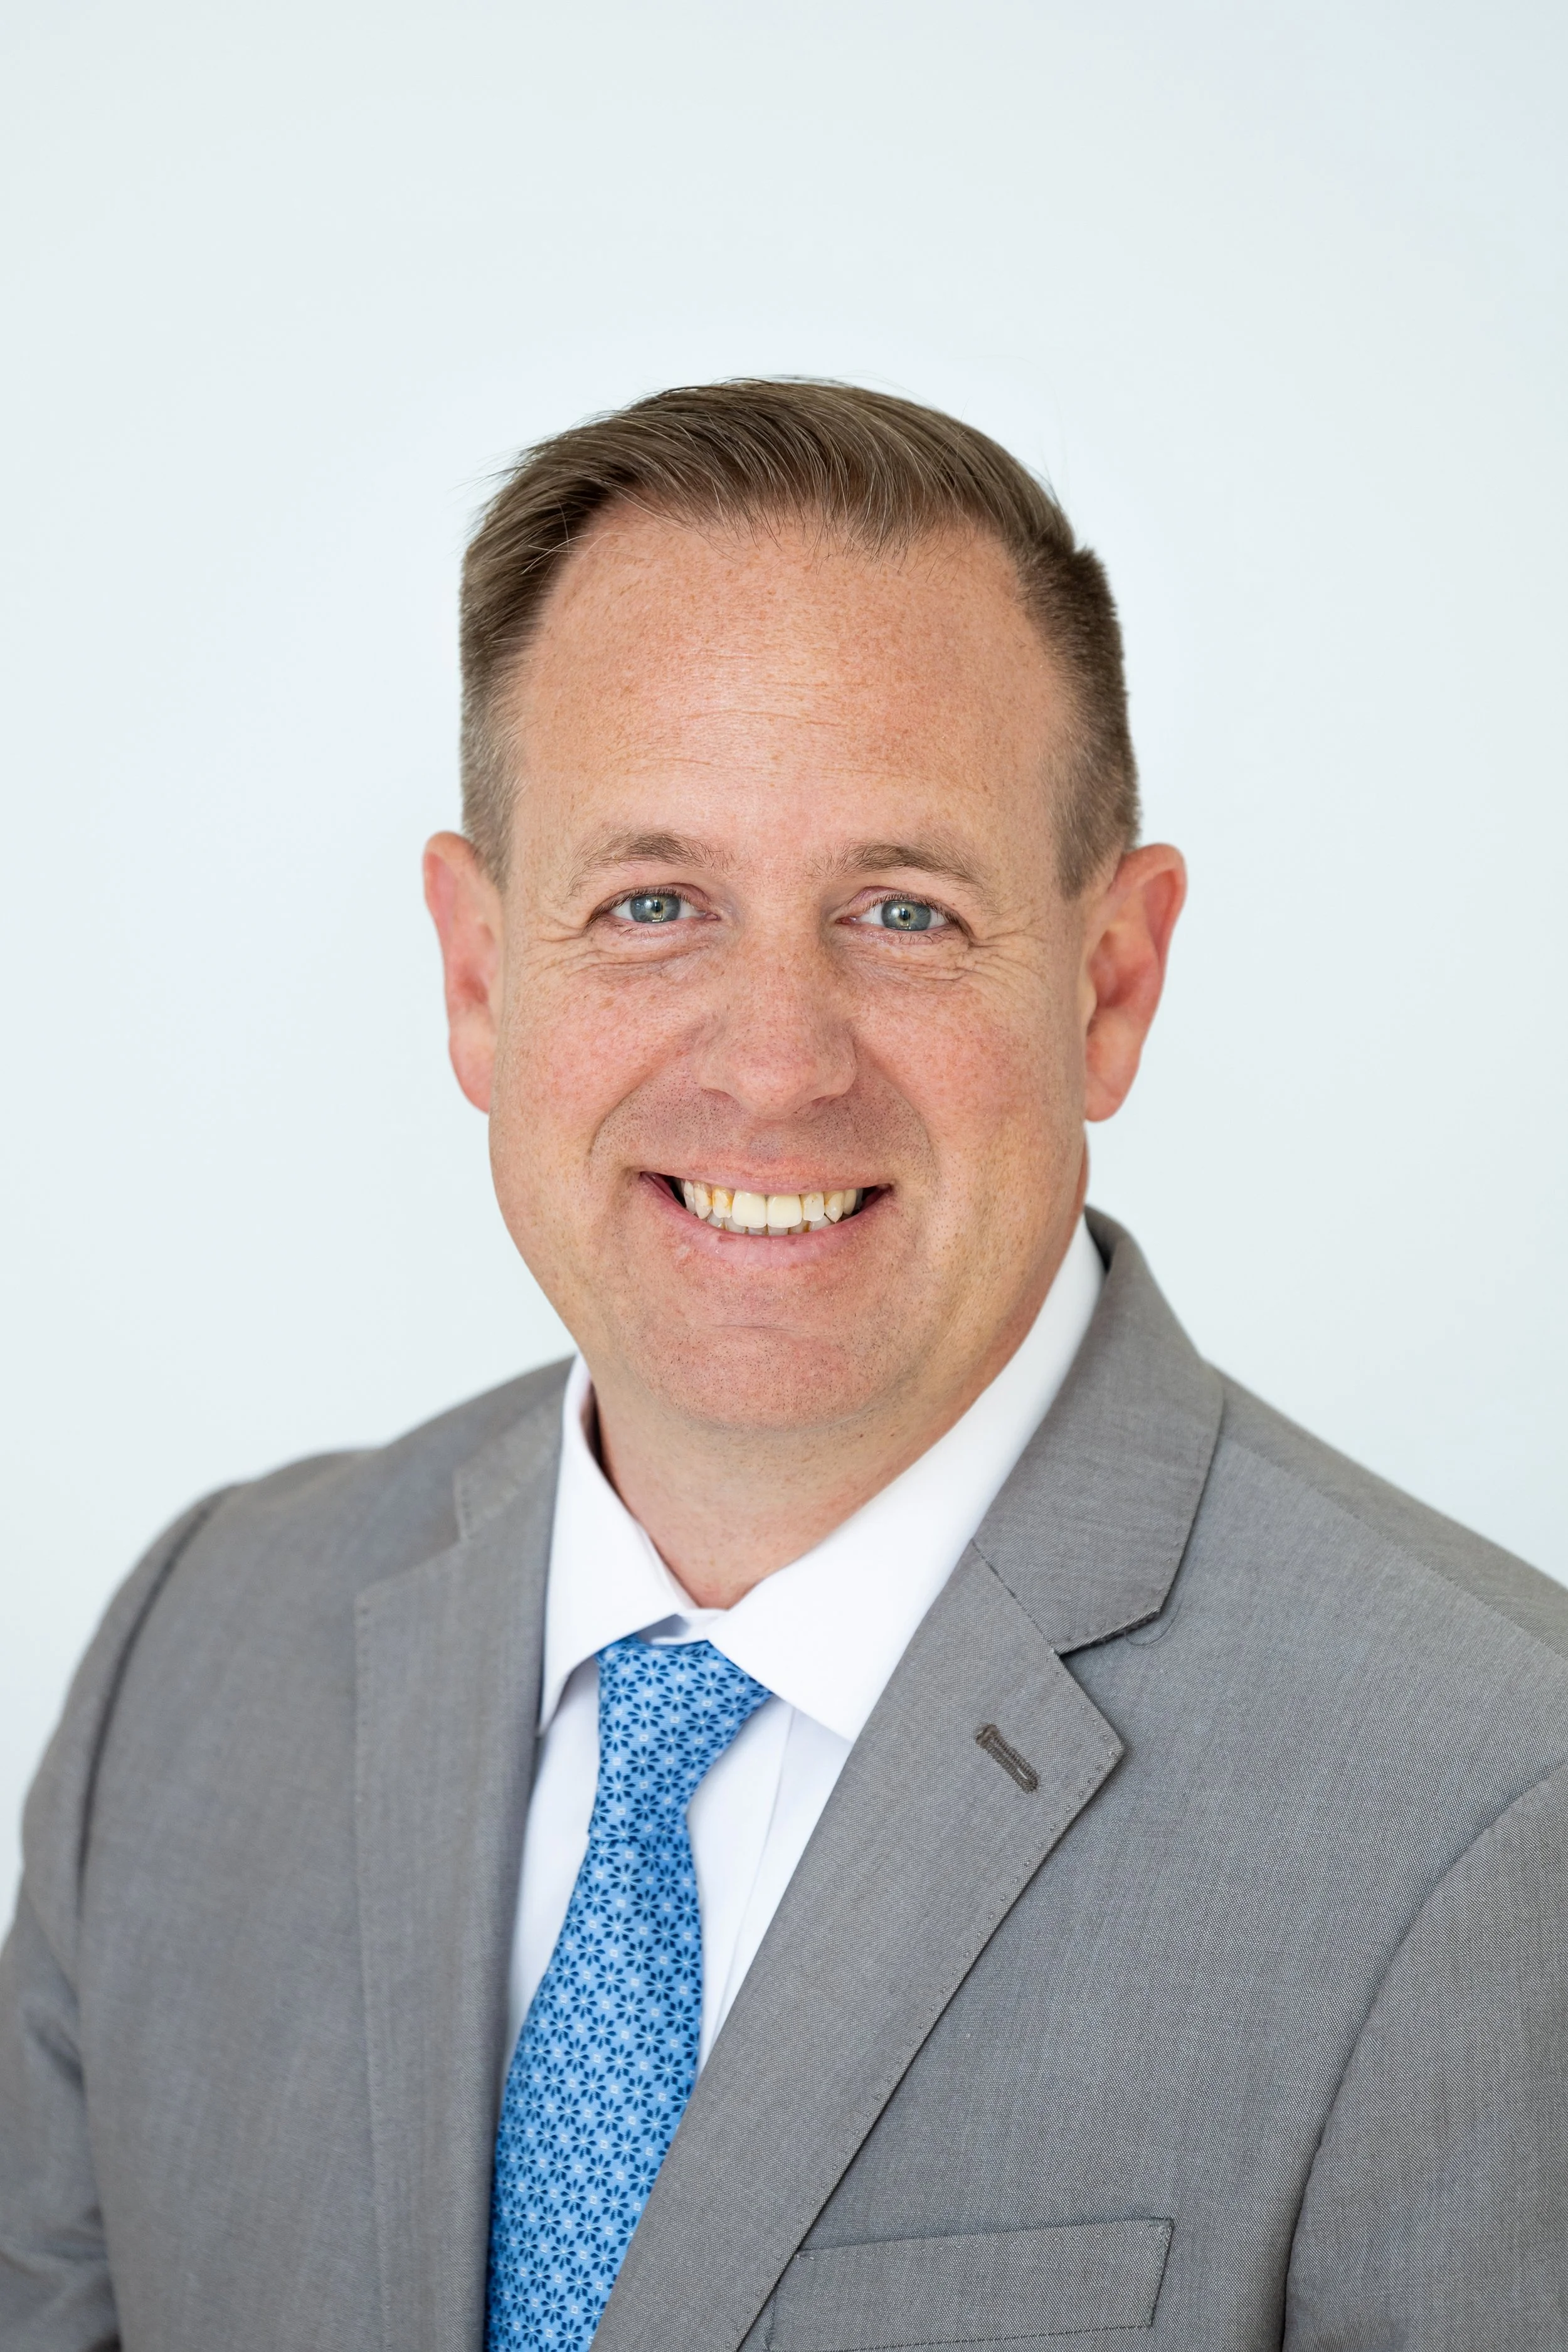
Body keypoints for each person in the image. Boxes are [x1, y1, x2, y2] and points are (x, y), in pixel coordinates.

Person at [2, 381, 1565, 2352]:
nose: (770, 1064)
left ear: (1109, 984)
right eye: (652, 904)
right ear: (479, 974)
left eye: (902, 910)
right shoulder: (197, 1657)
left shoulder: (1495, 1811)